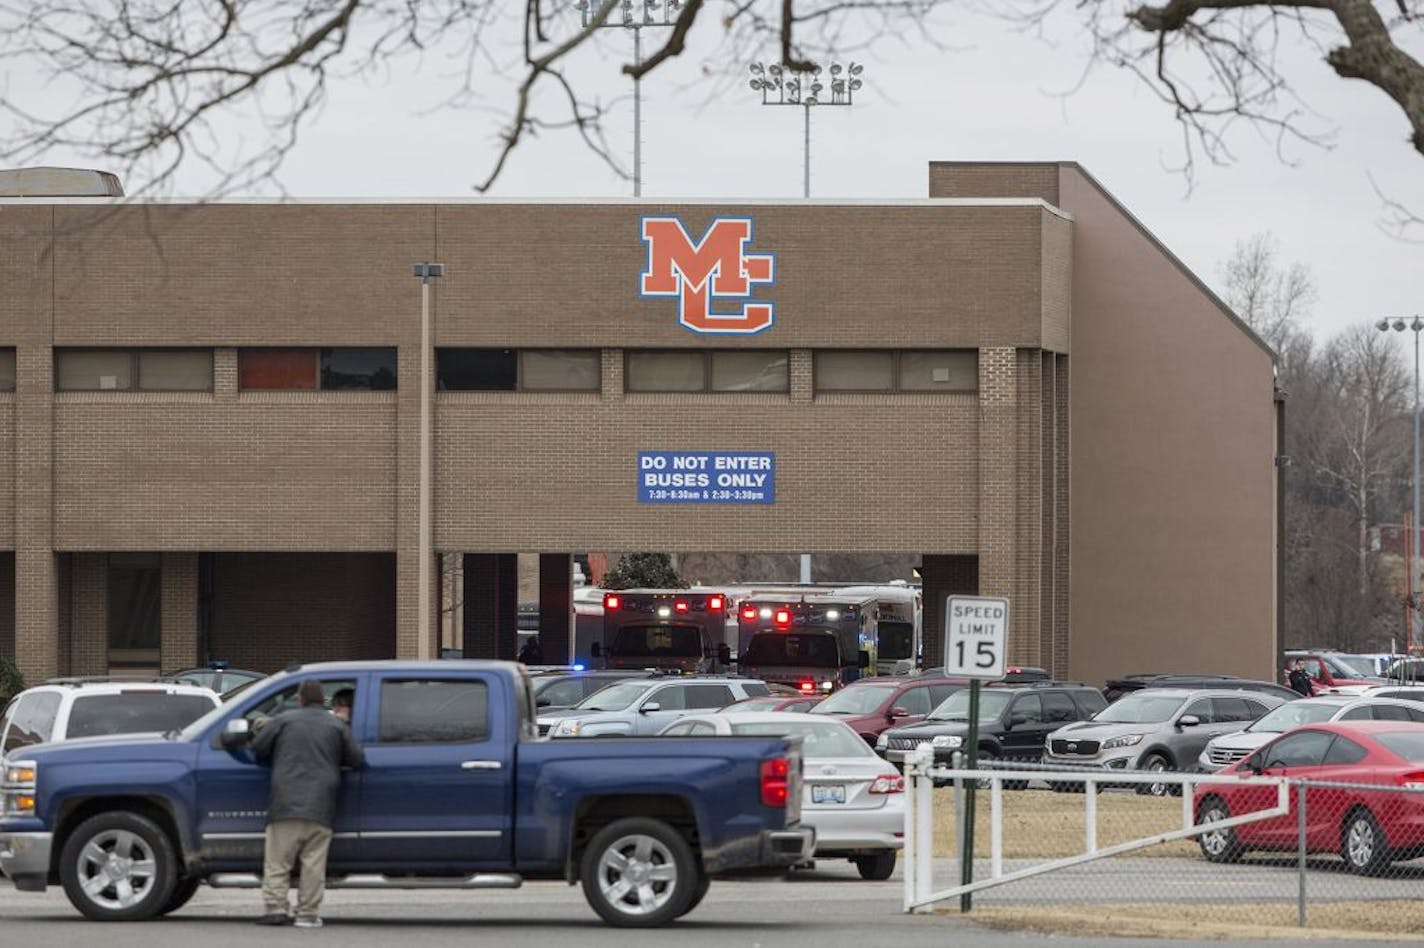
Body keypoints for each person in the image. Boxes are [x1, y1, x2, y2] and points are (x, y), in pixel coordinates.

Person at [251, 679, 364, 929]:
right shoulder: (336, 725)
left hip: (285, 802)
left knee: (278, 862)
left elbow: (258, 748)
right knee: (313, 864)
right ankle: (308, 913)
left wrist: (261, 726)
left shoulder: (283, 720)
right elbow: (356, 759)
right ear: (323, 701)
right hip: (321, 805)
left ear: (300, 699)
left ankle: (276, 908)